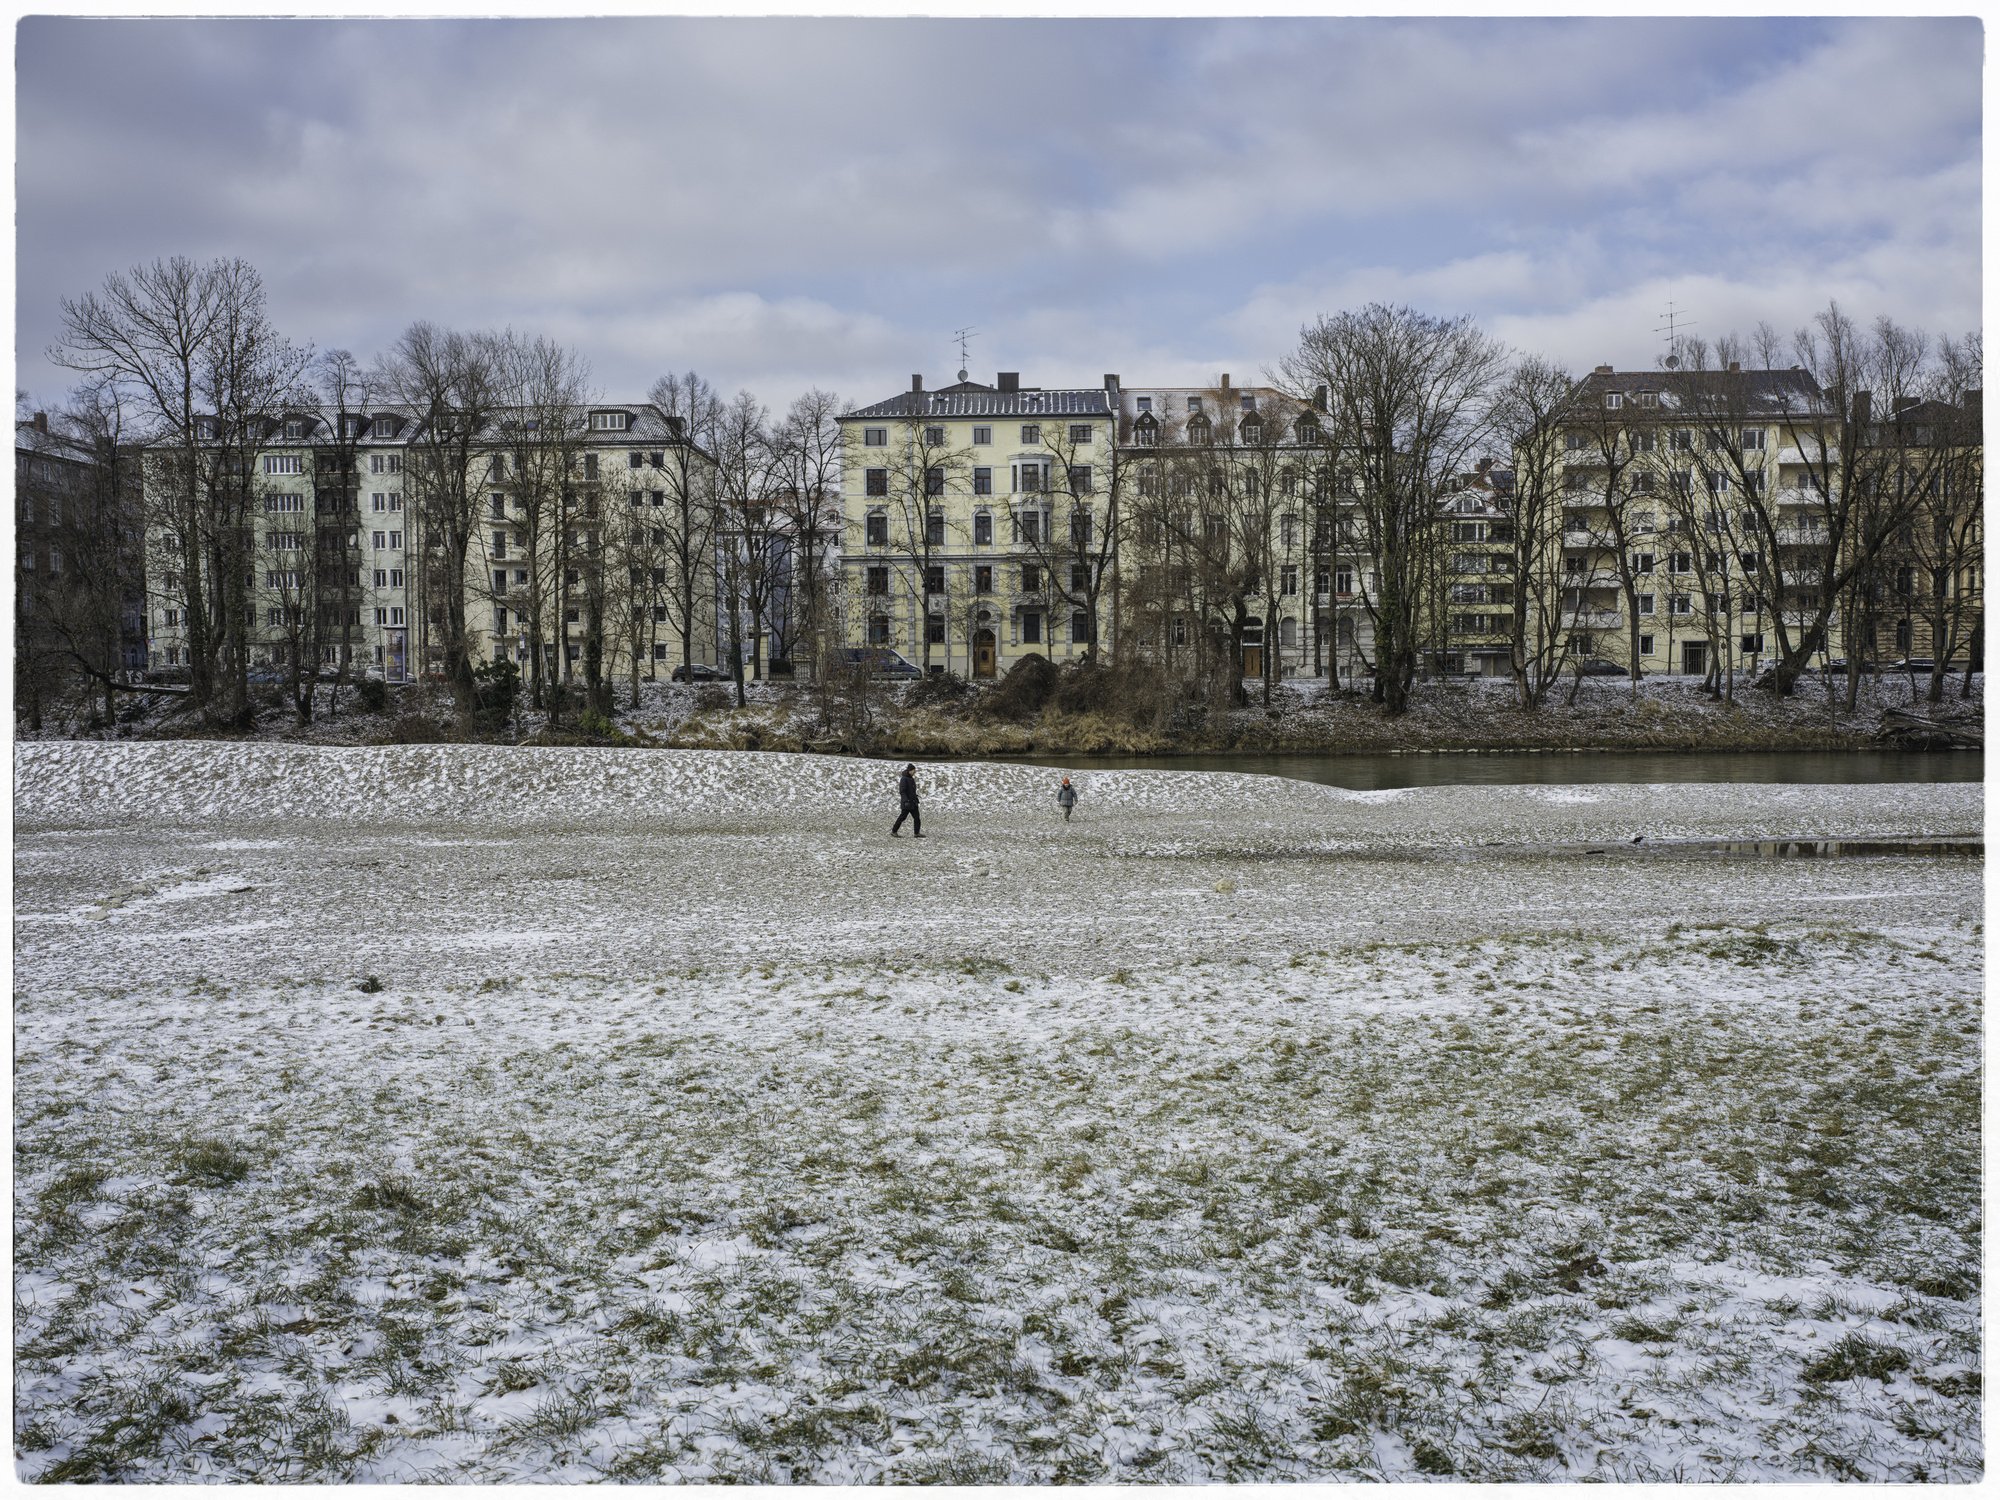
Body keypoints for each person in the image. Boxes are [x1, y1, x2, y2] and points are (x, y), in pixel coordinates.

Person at [892, 763, 923, 838]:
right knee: (902, 817)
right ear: (909, 771)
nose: (914, 772)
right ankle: (894, 831)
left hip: (913, 802)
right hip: (907, 803)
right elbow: (902, 791)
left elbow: (911, 791)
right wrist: (906, 801)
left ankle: (916, 833)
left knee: (917, 818)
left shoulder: (911, 778)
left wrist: (915, 797)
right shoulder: (904, 779)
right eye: (913, 770)